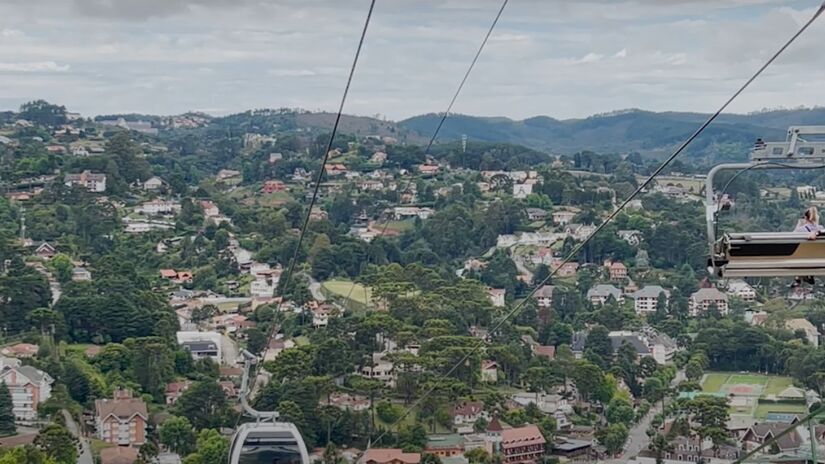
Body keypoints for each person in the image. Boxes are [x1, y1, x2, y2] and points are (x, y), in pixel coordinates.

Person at [792, 206, 824, 287]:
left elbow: (792, 237)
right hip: (818, 257)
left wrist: (799, 224)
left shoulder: (800, 230)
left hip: (804, 258)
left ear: (806, 218)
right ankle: (802, 277)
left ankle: (799, 278)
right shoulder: (820, 228)